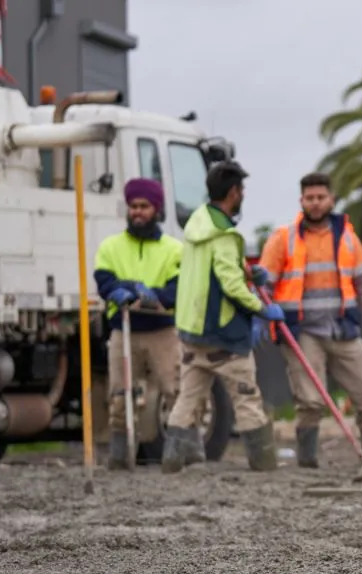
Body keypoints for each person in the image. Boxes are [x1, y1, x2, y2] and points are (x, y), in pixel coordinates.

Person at [257, 172, 362, 470]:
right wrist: (262, 311)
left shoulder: (347, 238)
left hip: (342, 329)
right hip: (302, 332)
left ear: (331, 199)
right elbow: (262, 283)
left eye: (321, 197)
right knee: (310, 401)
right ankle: (307, 463)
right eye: (310, 198)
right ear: (301, 200)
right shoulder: (284, 238)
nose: (316, 203)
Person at [160, 160, 285, 473]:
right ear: (233, 193)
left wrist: (248, 272)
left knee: (188, 398)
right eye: (241, 190)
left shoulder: (198, 225)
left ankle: (172, 461)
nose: (243, 195)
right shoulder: (225, 235)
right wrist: (261, 308)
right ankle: (264, 463)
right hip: (224, 335)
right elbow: (229, 284)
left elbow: (213, 270)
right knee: (247, 397)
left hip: (192, 332)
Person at [93, 178, 184, 470]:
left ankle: (182, 453)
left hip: (162, 331)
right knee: (120, 394)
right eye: (133, 206)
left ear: (156, 209)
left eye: (144, 206)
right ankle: (121, 458)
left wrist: (154, 296)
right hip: (124, 329)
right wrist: (126, 290)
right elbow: (104, 281)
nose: (138, 212)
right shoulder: (111, 247)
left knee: (175, 390)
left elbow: (179, 286)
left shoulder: (174, 249)